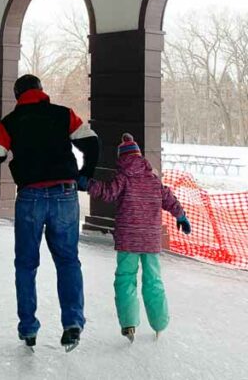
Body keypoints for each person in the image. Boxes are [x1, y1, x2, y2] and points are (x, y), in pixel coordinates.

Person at [0, 74, 99, 352]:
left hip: (30, 198)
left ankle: (28, 328)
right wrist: (85, 174)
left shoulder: (10, 123)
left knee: (26, 265)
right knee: (68, 261)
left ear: (18, 96)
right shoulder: (63, 114)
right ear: (41, 91)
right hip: (65, 194)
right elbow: (92, 142)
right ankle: (72, 323)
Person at [81, 133, 191, 342]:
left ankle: (129, 323)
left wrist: (88, 184)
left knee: (125, 279)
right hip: (150, 240)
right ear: (140, 157)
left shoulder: (122, 178)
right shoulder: (153, 180)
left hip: (128, 240)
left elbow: (107, 193)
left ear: (121, 158)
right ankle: (159, 323)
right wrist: (182, 216)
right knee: (153, 280)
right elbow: (169, 199)